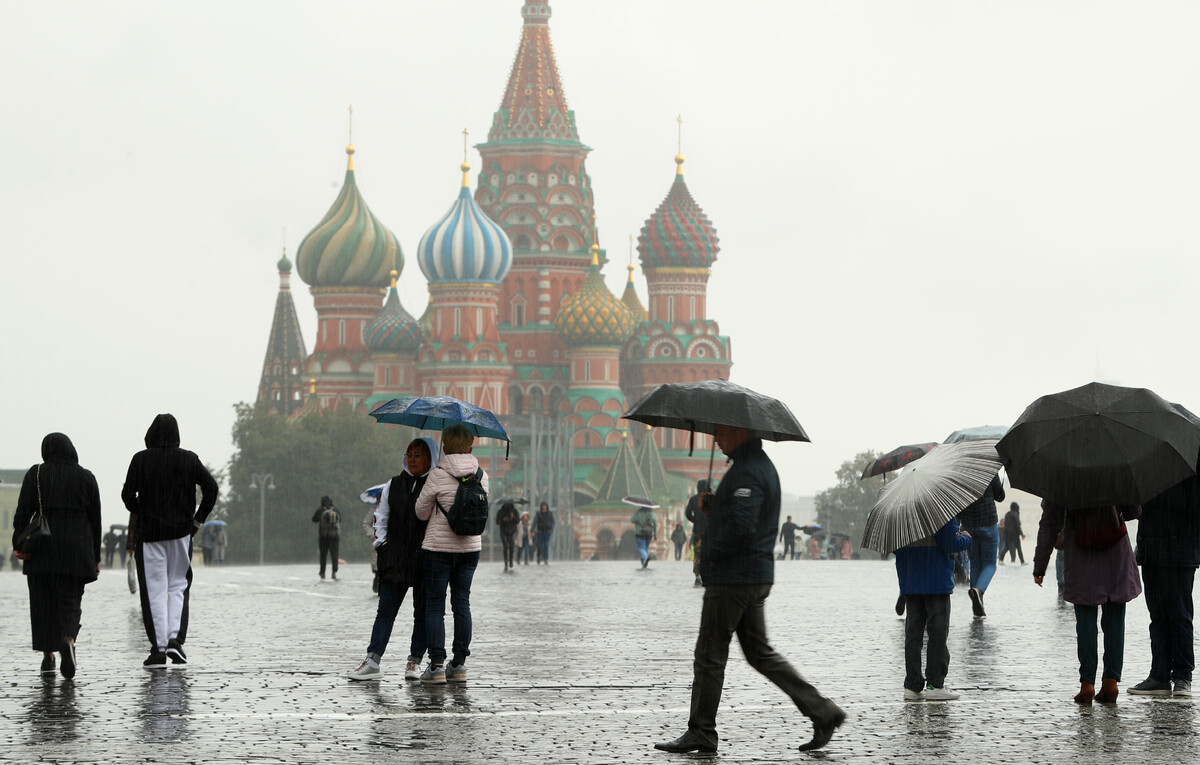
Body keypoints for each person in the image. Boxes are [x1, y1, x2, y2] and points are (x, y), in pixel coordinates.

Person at [655, 425, 845, 755]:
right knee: (760, 654)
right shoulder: (752, 467)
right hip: (751, 575)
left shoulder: (748, 472)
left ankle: (701, 730)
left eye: (721, 432)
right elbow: (742, 518)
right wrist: (716, 508)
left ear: (740, 431)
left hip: (735, 577)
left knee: (710, 654)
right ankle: (823, 711)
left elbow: (741, 528)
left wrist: (710, 554)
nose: (716, 438)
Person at [121, 413, 218, 669]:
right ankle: (176, 640)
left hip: (151, 536)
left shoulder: (140, 460)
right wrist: (197, 520)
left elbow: (127, 495)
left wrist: (143, 510)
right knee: (178, 587)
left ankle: (158, 649)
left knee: (154, 590)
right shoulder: (188, 459)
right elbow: (212, 489)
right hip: (181, 534)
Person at [12, 433, 102, 679]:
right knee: (71, 602)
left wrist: (18, 541)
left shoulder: (37, 474)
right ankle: (68, 639)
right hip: (77, 550)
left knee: (43, 604)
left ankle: (48, 656)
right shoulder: (86, 477)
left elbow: (23, 513)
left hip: (43, 549)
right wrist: (95, 556)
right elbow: (95, 521)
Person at [347, 437, 437, 682]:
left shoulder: (435, 484)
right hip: (394, 559)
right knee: (385, 611)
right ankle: (373, 659)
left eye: (419, 454)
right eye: (410, 454)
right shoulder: (393, 484)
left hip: (424, 558)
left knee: (423, 613)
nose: (413, 459)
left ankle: (414, 661)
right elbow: (381, 518)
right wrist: (382, 546)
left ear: (431, 458)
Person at [1034, 501, 1142, 704]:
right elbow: (1133, 510)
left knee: (1085, 619)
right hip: (1115, 549)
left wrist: (1040, 565)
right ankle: (1111, 681)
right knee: (1115, 618)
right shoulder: (1116, 469)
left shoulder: (1063, 474)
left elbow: (1050, 522)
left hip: (1082, 551)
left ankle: (1087, 684)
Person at [414, 424, 488, 684]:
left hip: (438, 548)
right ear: (470, 447)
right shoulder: (482, 475)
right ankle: (458, 665)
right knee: (462, 603)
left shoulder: (437, 474)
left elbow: (420, 512)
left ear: (444, 447)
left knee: (435, 606)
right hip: (470, 548)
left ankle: (435, 665)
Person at [1129, 474, 1199, 696]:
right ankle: (1159, 675)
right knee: (1158, 615)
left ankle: (1182, 676)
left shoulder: (1190, 463)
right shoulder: (1147, 464)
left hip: (1180, 549)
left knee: (1179, 614)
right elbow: (1136, 508)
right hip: (1153, 550)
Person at [894, 517, 973, 700]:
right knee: (937, 633)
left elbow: (895, 547)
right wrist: (966, 537)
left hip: (911, 578)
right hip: (936, 578)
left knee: (913, 634)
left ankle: (912, 686)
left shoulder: (899, 513)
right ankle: (935, 684)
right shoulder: (940, 510)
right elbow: (949, 543)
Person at [960, 473, 1005, 618]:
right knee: (990, 564)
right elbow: (1000, 496)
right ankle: (978, 591)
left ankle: (977, 603)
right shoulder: (988, 468)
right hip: (988, 522)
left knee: (975, 563)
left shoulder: (962, 471)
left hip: (968, 524)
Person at [685, 479, 711, 586]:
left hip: (697, 531)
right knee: (708, 553)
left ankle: (697, 576)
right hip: (709, 532)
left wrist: (694, 520)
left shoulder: (693, 499)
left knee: (697, 553)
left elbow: (687, 513)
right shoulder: (710, 499)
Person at [311, 496, 341, 580]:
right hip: (335, 536)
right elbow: (340, 519)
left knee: (323, 554)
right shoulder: (336, 510)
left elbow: (314, 520)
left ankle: (322, 572)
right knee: (334, 554)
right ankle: (334, 571)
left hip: (323, 536)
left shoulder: (320, 510)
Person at [496, 500, 521, 571]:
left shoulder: (514, 511)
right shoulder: (500, 511)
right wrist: (503, 520)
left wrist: (512, 517)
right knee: (506, 546)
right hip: (503, 531)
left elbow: (518, 521)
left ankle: (510, 560)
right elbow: (497, 521)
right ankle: (506, 562)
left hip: (512, 532)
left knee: (511, 547)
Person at [631, 504, 657, 569]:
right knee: (646, 547)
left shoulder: (638, 512)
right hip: (649, 533)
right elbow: (655, 524)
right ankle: (643, 563)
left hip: (639, 533)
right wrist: (655, 534)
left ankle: (645, 558)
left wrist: (638, 520)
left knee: (641, 548)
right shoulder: (652, 513)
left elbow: (632, 520)